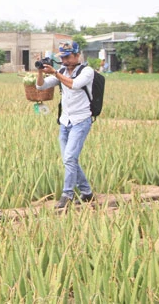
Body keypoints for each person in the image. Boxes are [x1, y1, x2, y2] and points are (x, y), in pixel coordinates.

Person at [36, 41, 95, 209]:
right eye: (62, 57)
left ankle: (67, 194)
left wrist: (55, 72)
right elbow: (40, 86)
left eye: (68, 57)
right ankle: (87, 193)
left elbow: (74, 85)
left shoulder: (87, 71)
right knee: (69, 160)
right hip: (65, 121)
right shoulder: (61, 71)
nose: (65, 60)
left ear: (77, 56)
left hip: (81, 121)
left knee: (69, 158)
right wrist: (40, 72)